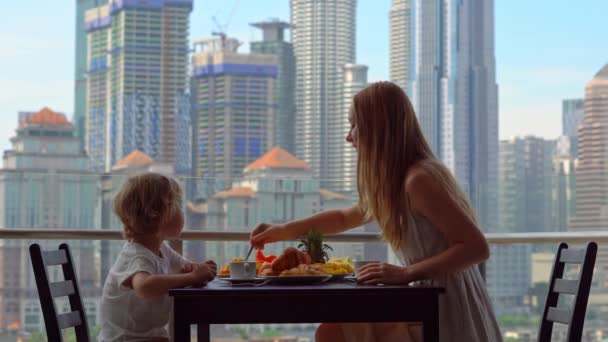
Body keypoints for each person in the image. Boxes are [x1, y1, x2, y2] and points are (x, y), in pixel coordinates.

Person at [250, 82, 502, 341]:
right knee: (330, 331)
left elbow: (476, 247)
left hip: (446, 309)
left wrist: (406, 273)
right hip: (422, 298)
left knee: (331, 333)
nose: (349, 137)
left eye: (354, 125)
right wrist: (280, 231)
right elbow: (344, 218)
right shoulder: (395, 182)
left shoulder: (418, 180)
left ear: (378, 129)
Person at [99, 172, 217, 341]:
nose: (181, 212)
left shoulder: (161, 249)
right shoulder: (136, 255)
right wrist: (191, 276)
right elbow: (144, 287)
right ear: (156, 215)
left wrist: (197, 271)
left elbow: (187, 268)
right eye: (176, 205)